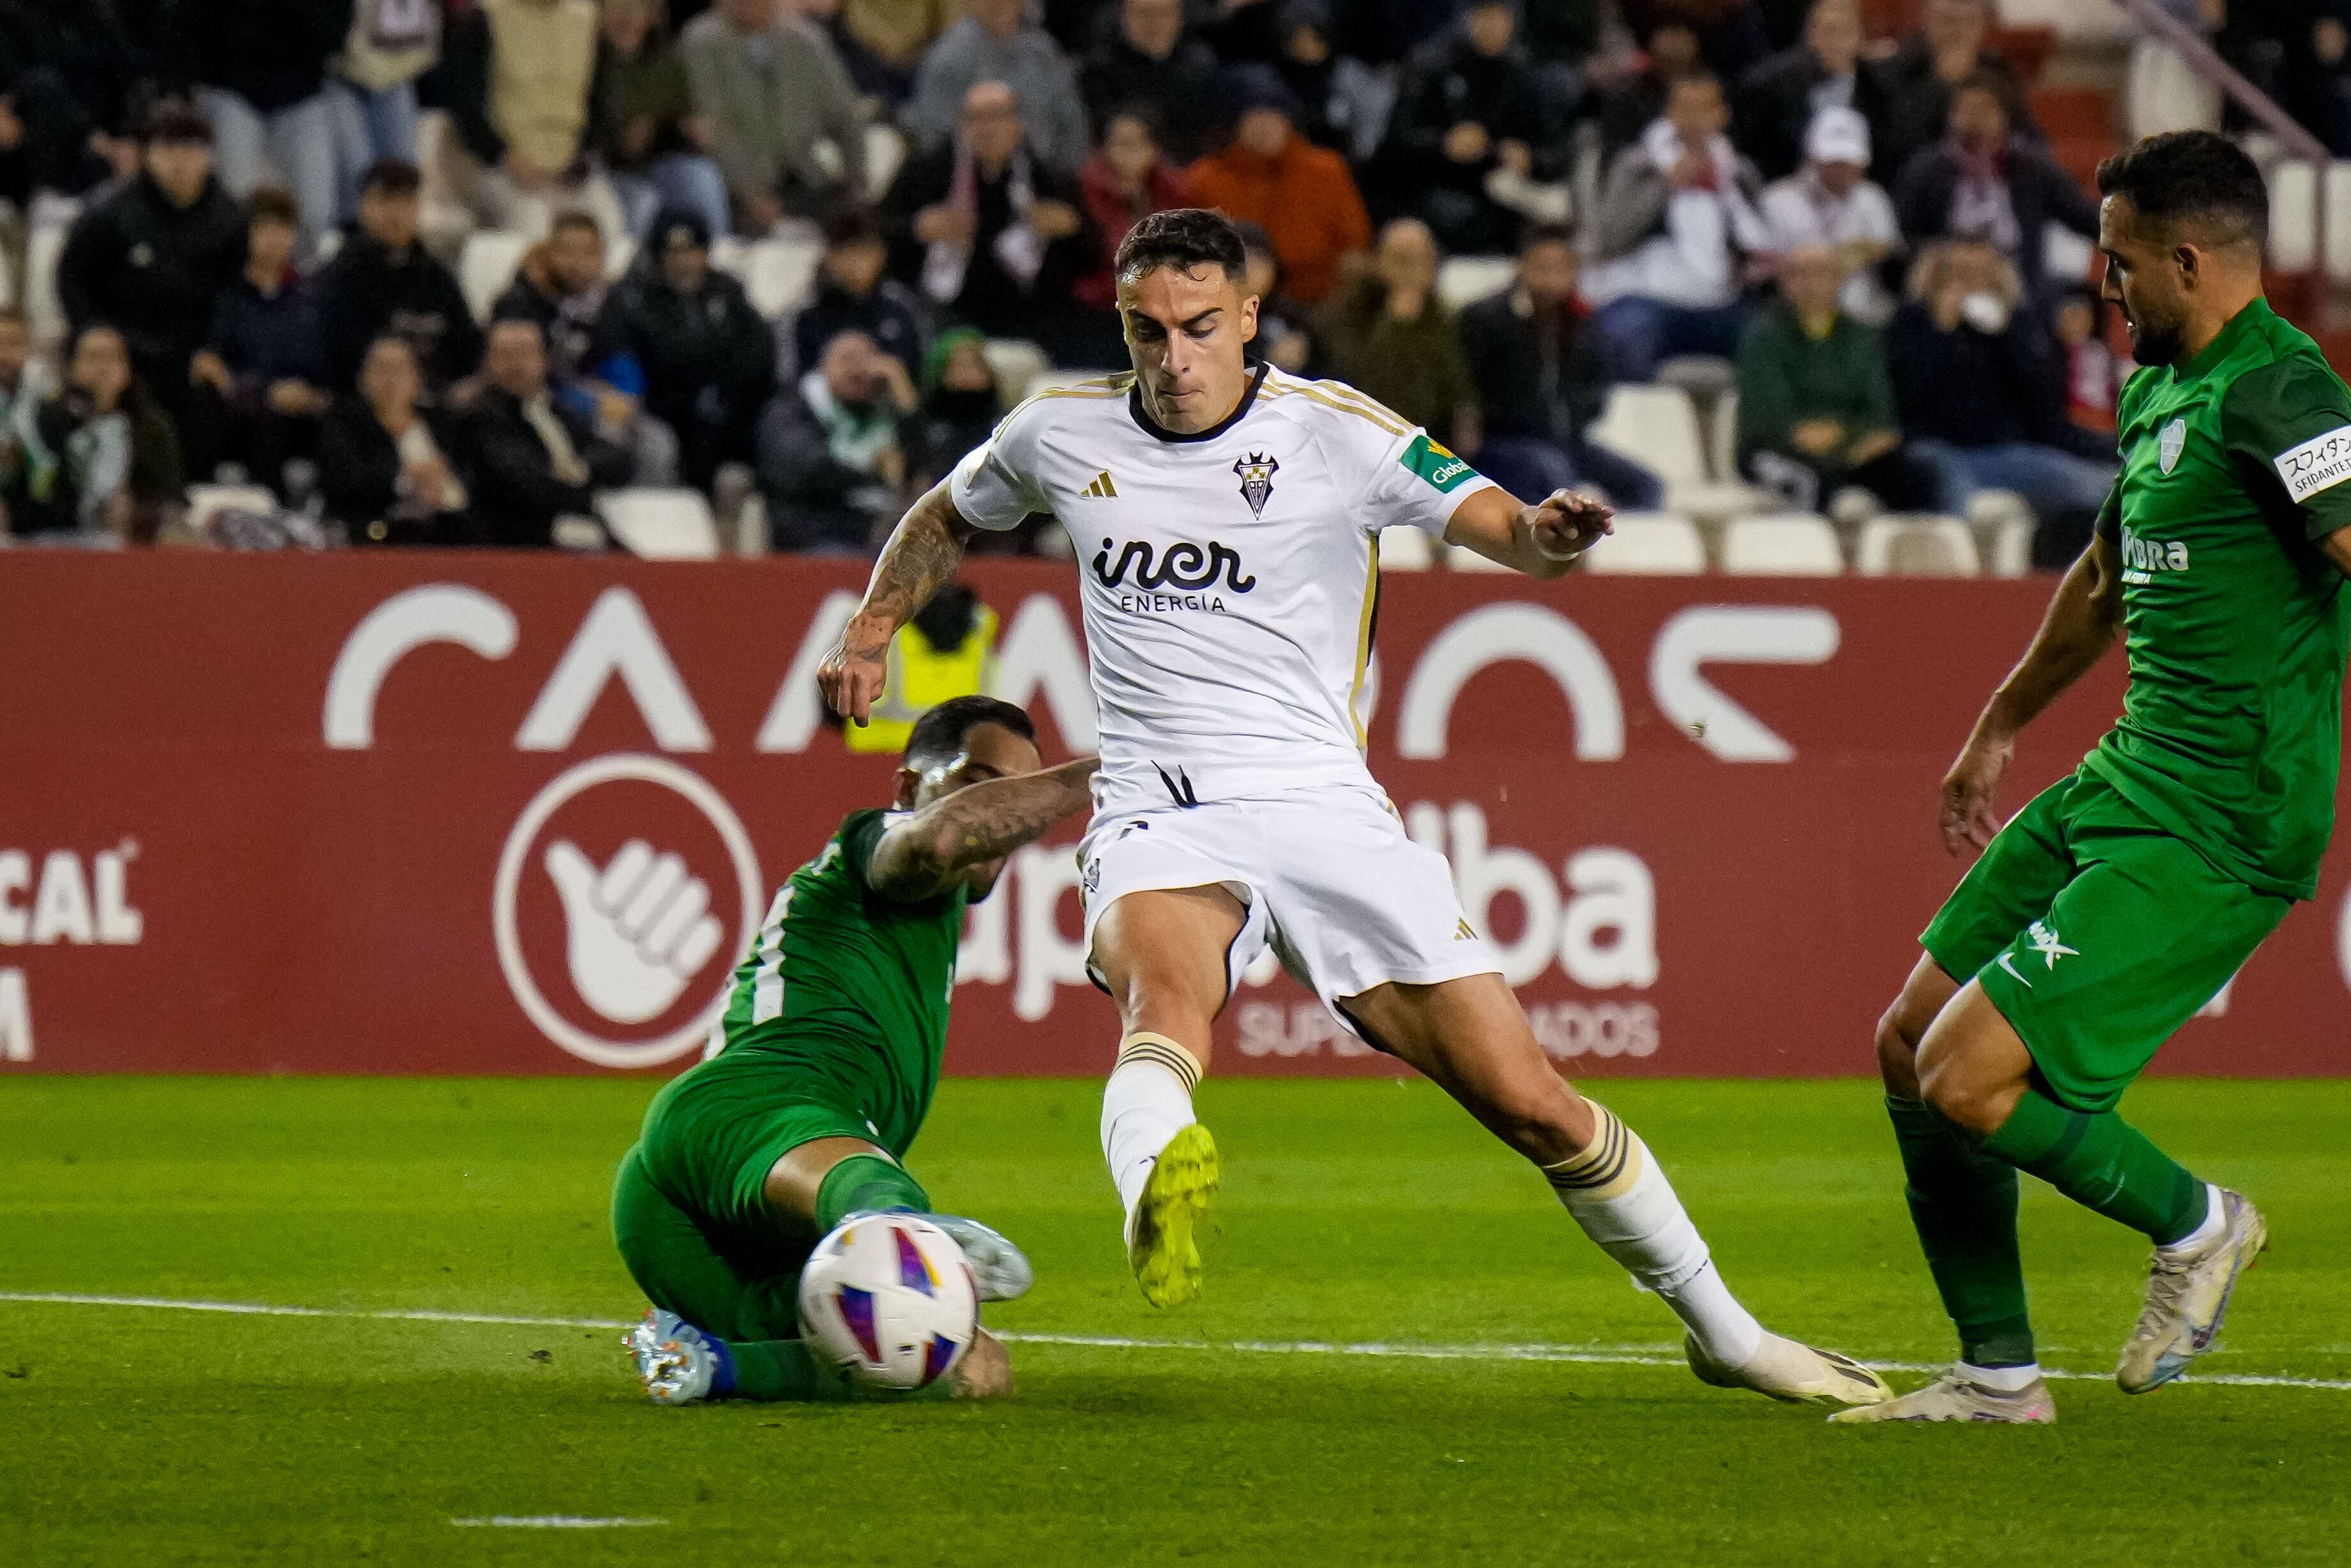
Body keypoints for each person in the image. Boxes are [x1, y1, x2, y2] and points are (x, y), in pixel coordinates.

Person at [816, 208, 1893, 1411]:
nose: (1173, 358)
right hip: (1158, 804)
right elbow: (946, 513)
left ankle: (1728, 1334)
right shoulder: (1058, 432)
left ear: (1250, 317)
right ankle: (1154, 1193)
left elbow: (1497, 523)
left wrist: (1544, 535)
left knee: (1533, 1104)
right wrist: (870, 628)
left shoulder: (1332, 434)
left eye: (1199, 329)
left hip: (1323, 805)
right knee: (1162, 1002)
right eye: (1147, 330)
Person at [1841, 132, 2351, 1425]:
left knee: (1971, 1077)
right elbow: (2098, 581)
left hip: (2223, 816)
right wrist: (1998, 722)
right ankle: (1998, 1377)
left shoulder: (2284, 395)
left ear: (2188, 261)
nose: (2104, 288)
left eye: (2120, 263)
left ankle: (2198, 1222)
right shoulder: (2157, 389)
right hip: (2125, 778)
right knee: (1907, 1045)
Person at [617, 696, 1094, 1405]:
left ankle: (708, 1362)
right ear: (908, 789)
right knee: (890, 1214)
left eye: (1015, 794)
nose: (1008, 816)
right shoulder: (881, 842)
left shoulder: (926, 921)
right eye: (981, 784)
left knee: (949, 1367)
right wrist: (1112, 771)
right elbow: (935, 844)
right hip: (751, 1110)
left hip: (688, 1233)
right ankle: (892, 1219)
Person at [56, 104, 248, 476]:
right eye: (168, 150)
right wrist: (92, 332)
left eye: (191, 151)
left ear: (209, 158)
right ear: (149, 155)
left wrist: (212, 347)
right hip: (121, 347)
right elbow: (72, 278)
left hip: (186, 353)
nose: (180, 162)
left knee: (207, 397)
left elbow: (230, 292)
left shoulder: (229, 219)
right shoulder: (109, 212)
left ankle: (192, 500)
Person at [1889, 240, 2115, 545]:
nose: (1969, 284)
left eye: (1980, 274)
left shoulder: (2015, 324)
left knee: (2097, 487)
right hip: (1938, 449)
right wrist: (1941, 332)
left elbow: (2039, 400)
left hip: (2003, 453)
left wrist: (2006, 332)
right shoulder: (1912, 322)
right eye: (1958, 274)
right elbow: (1910, 397)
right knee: (1956, 499)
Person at [1456, 223, 1664, 508]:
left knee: (1647, 486)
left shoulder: (1581, 324)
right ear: (1521, 267)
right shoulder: (1486, 319)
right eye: (1542, 268)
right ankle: (1573, 544)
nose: (1552, 279)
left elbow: (1596, 384)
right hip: (1504, 444)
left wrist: (1575, 415)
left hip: (1568, 442)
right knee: (1559, 478)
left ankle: (1618, 545)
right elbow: (1465, 387)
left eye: (1561, 269)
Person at [879, 81, 1096, 355]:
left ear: (1018, 125)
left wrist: (1071, 227)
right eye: (974, 118)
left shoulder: (1047, 177)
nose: (985, 129)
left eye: (996, 117)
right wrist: (915, 228)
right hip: (948, 310)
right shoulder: (929, 171)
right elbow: (879, 230)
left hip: (1031, 311)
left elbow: (1093, 251)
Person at [1584, 71, 1770, 381]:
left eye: (1703, 109)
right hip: (1647, 296)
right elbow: (1609, 236)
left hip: (1721, 300)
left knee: (1768, 339)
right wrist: (1665, 187)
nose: (1693, 118)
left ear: (1721, 115)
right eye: (1684, 108)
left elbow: (1759, 244)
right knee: (1626, 334)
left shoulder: (1739, 173)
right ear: (1670, 113)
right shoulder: (1637, 165)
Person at [1735, 243, 1930, 512]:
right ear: (1785, 283)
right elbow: (1770, 414)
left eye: (1822, 274)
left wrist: (1844, 437)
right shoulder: (1764, 337)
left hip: (1851, 451)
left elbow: (1878, 410)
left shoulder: (1864, 337)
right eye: (1800, 274)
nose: (1811, 284)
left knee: (1914, 477)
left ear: (1838, 280)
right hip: (1777, 449)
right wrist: (1818, 436)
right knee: (1812, 482)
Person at [494, 211, 678, 489]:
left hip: (599, 398)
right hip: (539, 407)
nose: (576, 264)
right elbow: (521, 376)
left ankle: (644, 524)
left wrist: (625, 398)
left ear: (600, 257)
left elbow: (621, 360)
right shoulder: (521, 301)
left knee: (658, 442)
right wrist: (588, 402)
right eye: (566, 252)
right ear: (549, 252)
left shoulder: (608, 302)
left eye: (587, 253)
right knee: (604, 439)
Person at [1380, 0, 1572, 255]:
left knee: (1559, 209)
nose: (1493, 26)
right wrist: (1443, 145)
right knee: (1457, 214)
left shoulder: (1524, 71)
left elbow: (1557, 150)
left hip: (1508, 194)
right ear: (1466, 18)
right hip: (1440, 188)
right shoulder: (1431, 65)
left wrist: (1529, 158)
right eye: (1485, 16)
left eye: (1501, 16)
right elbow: (1394, 145)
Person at [1892, 74, 2101, 310]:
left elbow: (2083, 215)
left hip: (2016, 283)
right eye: (1966, 109)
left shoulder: (2031, 168)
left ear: (2003, 116)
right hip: (1946, 280)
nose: (1975, 118)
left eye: (1984, 109)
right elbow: (1903, 232)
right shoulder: (1926, 169)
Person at [604, 208, 777, 491]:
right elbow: (662, 357)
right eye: (673, 253)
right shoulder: (633, 297)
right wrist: (712, 358)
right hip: (663, 408)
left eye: (692, 251)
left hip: (729, 407)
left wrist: (726, 382)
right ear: (657, 256)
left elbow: (759, 349)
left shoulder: (728, 290)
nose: (683, 262)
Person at [161, 0, 349, 254]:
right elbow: (186, 22)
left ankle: (303, 286)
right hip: (230, 87)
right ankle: (236, 284)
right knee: (235, 201)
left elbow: (334, 33)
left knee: (316, 209)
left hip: (301, 91)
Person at [438, 0, 629, 243]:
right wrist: (506, 158)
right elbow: (465, 109)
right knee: (535, 225)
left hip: (570, 168)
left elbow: (600, 105)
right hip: (498, 166)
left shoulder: (588, 18)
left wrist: (579, 159)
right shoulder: (482, 19)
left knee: (609, 225)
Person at [1182, 68, 1371, 305]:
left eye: (1275, 117)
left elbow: (1356, 243)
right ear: (1234, 126)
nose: (1266, 127)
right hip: (1236, 303)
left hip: (1320, 300)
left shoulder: (1326, 169)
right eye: (1255, 118)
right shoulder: (1205, 179)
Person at [679, 0, 871, 232]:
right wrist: (752, 194)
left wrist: (857, 187)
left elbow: (846, 115)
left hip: (805, 176)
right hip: (734, 189)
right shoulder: (702, 41)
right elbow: (713, 127)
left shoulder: (804, 38)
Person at [190, 187, 333, 496]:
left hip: (305, 410)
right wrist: (266, 393)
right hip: (243, 414)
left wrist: (310, 396)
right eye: (264, 226)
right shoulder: (223, 296)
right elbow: (211, 368)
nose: (275, 237)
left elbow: (328, 364)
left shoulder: (313, 297)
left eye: (284, 227)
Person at [314, 159, 485, 393]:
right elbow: (341, 361)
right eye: (384, 201)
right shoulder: (339, 277)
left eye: (405, 202)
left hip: (438, 410)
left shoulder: (435, 274)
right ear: (364, 207)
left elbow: (468, 348)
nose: (395, 214)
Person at [460, 316, 633, 547]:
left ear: (543, 359)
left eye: (524, 354)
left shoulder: (554, 410)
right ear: (488, 362)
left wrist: (578, 469)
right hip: (518, 537)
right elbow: (528, 485)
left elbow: (617, 460)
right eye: (505, 356)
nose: (517, 366)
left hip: (576, 525)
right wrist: (582, 482)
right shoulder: (480, 416)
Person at [1, 324, 182, 542]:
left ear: (127, 372)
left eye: (112, 358)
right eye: (93, 357)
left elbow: (168, 495)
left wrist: (135, 513)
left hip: (129, 543)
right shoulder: (46, 420)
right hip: (52, 537)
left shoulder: (151, 426)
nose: (102, 368)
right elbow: (33, 490)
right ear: (72, 369)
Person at [756, 325, 919, 551]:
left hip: (882, 530)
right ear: (824, 367)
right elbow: (803, 471)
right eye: (847, 360)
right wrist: (872, 468)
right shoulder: (791, 410)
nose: (858, 370)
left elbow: (927, 463)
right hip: (815, 531)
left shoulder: (887, 412)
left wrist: (906, 403)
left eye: (867, 361)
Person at [1314, 218, 1472, 443]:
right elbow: (1364, 385)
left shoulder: (1443, 316)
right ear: (1378, 261)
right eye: (1401, 260)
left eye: (1421, 261)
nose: (1411, 271)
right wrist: (1396, 325)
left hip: (1431, 438)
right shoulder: (1348, 311)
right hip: (1361, 434)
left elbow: (1453, 387)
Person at [590, 0, 734, 241]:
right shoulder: (589, 60)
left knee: (703, 179)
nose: (627, 19)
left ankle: (715, 259)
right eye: (618, 9)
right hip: (607, 166)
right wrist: (620, 138)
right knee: (643, 205)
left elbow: (683, 115)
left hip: (661, 157)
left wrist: (658, 127)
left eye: (636, 10)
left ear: (650, 16)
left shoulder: (667, 58)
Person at [904, 0, 1091, 176]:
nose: (1000, 3)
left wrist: (1062, 184)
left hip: (1044, 178)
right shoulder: (948, 57)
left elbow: (1072, 124)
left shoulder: (1043, 52)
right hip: (969, 181)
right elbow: (931, 137)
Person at [1866, 0, 2039, 188]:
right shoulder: (1896, 71)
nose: (1958, 31)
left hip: (1989, 187)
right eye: (1948, 21)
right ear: (1927, 21)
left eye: (1969, 22)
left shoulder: (1998, 74)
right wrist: (1943, 86)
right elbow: (1891, 147)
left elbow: (2031, 141)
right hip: (1914, 191)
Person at [319, 333, 472, 545]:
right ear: (364, 377)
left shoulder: (442, 423)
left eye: (399, 370)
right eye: (381, 369)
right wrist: (408, 478)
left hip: (448, 532)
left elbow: (468, 474)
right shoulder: (346, 422)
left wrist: (443, 484)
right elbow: (345, 480)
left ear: (417, 378)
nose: (390, 379)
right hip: (375, 533)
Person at [1760, 105, 1900, 324]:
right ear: (1811, 156)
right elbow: (1767, 265)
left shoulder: (1873, 200)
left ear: (1864, 161)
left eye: (1848, 161)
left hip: (1859, 317)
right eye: (1832, 161)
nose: (1841, 169)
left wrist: (1875, 252)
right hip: (1794, 319)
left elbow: (1889, 257)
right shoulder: (1778, 200)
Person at [1733, 0, 1884, 183]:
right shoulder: (1773, 87)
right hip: (1786, 188)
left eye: (1845, 31)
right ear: (1811, 35)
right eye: (1828, 31)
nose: (1835, 42)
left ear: (1861, 36)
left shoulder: (1877, 90)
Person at [789, 208, 931, 381]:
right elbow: (797, 379)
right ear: (830, 257)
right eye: (848, 252)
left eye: (865, 251)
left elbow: (921, 370)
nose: (857, 262)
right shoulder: (808, 313)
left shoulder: (902, 306)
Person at [1079, 0, 1222, 166]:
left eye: (1165, 14)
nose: (1154, 23)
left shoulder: (1201, 66)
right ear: (1123, 17)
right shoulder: (1098, 71)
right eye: (1144, 14)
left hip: (1191, 171)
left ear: (1179, 18)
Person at [1074, 109, 1189, 312]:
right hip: (1097, 307)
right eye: (1119, 143)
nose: (1126, 152)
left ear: (1154, 149)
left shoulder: (1172, 191)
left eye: (1135, 143)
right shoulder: (1081, 191)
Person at [331, 0, 439, 211]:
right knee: (358, 174)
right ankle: (355, 238)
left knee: (403, 171)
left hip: (395, 74)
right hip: (341, 76)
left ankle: (396, 241)